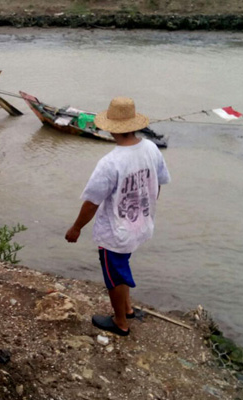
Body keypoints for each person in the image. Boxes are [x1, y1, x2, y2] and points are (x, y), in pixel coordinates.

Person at [65, 97, 170, 336]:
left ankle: (120, 322)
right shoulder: (151, 148)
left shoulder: (110, 162)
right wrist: (147, 211)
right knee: (122, 266)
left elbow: (92, 202)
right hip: (140, 224)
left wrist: (76, 228)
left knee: (115, 275)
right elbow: (158, 184)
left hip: (115, 231)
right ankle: (129, 309)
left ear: (111, 128)